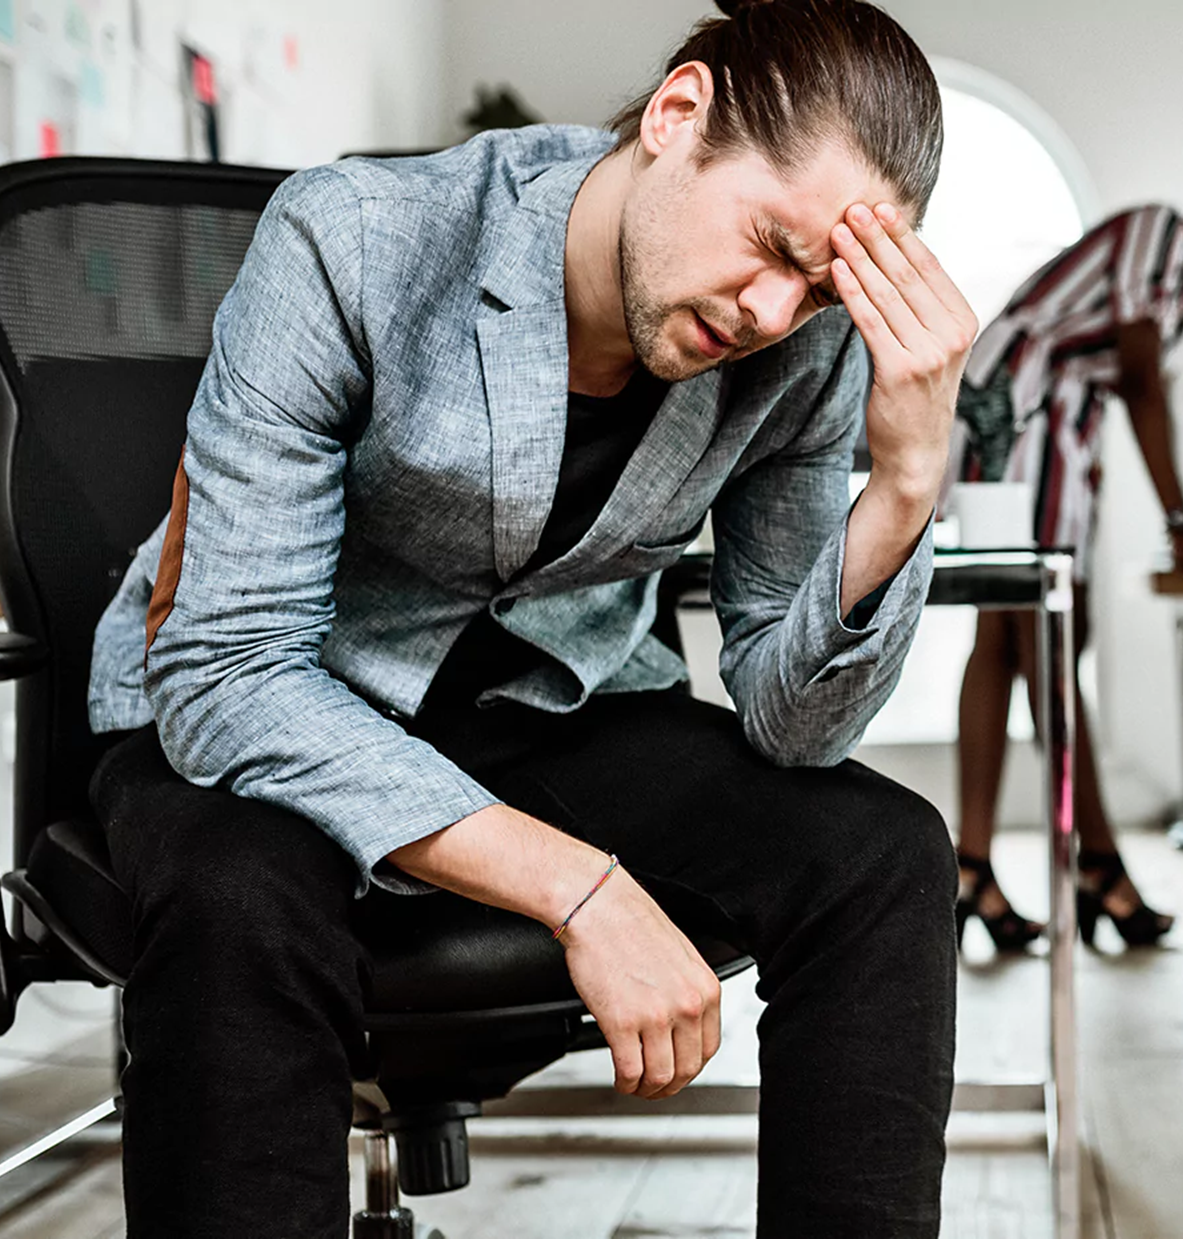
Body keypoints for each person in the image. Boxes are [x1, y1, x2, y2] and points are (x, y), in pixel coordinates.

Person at [85, 2, 976, 1233]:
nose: (774, 314)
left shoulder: (802, 351)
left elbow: (793, 725)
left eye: (822, 291)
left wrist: (908, 483)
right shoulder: (356, 239)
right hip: (273, 705)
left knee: (883, 854)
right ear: (677, 114)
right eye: (771, 243)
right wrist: (581, 890)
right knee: (238, 895)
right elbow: (229, 670)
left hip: (550, 706)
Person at [948, 161, 1183, 954]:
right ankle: (1089, 860)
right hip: (1023, 407)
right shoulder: (1157, 231)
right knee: (1033, 639)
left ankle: (985, 865)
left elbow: (1123, 380)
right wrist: (1180, 518)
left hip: (1060, 425)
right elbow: (1140, 378)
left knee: (1021, 641)